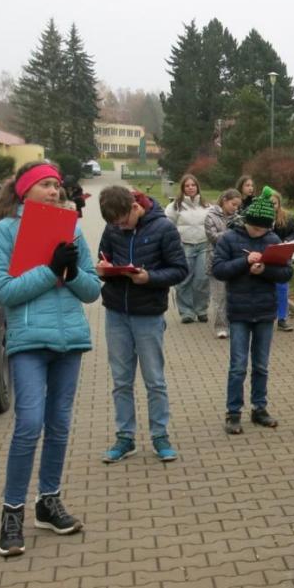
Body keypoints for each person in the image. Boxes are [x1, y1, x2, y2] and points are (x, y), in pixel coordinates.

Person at [0, 161, 102, 558]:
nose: (55, 191)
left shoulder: (70, 228)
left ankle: (48, 501)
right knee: (29, 423)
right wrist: (48, 270)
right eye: (46, 185)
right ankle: (12, 510)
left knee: (60, 424)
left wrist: (69, 273)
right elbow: (3, 290)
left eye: (57, 185)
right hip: (29, 341)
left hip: (70, 340)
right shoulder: (5, 231)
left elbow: (92, 290)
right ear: (25, 191)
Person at [96, 186, 189, 464]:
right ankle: (125, 438)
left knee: (155, 380)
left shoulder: (164, 228)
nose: (120, 227)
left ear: (136, 207)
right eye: (114, 224)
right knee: (121, 381)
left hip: (148, 314)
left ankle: (160, 436)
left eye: (123, 221)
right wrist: (103, 270)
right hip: (116, 313)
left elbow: (180, 270)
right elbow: (103, 257)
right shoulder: (113, 227)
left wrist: (149, 277)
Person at [211, 187, 294, 434]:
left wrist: (265, 270)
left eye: (264, 228)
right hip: (239, 311)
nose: (260, 232)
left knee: (261, 365)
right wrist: (244, 262)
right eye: (255, 228)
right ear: (246, 222)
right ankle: (233, 412)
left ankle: (259, 408)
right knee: (238, 365)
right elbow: (218, 270)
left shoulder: (272, 240)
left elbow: (286, 272)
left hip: (265, 310)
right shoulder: (229, 239)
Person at [165, 174, 210, 324]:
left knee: (202, 279)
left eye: (193, 185)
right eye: (187, 186)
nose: (190, 188)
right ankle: (186, 311)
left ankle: (201, 309)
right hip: (184, 246)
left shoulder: (207, 206)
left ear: (197, 187)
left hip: (204, 245)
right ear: (183, 188)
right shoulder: (174, 207)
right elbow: (167, 226)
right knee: (184, 280)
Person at [204, 189, 241, 340]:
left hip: (233, 261)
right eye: (233, 204)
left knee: (232, 295)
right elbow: (213, 237)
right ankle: (221, 327)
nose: (235, 208)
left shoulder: (238, 218)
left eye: (238, 206)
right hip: (215, 261)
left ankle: (234, 325)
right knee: (219, 297)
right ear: (224, 200)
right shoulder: (210, 216)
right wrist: (230, 231)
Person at [269, 190, 294, 332]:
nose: (272, 207)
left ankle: (282, 318)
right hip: (266, 256)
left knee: (282, 287)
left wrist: (286, 241)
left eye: (274, 204)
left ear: (279, 204)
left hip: (282, 256)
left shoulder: (288, 217)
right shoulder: (261, 217)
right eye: (269, 204)